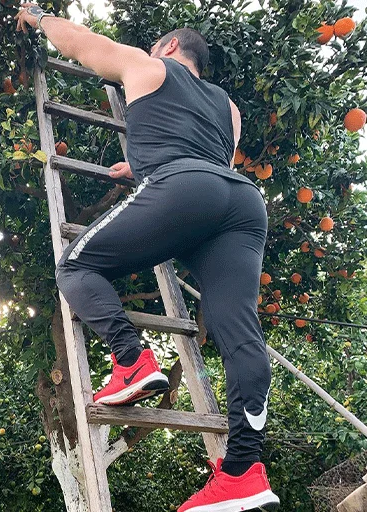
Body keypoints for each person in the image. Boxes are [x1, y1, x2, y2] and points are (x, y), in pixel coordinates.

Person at [16, 3, 280, 511]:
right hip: (242, 203)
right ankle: (244, 473)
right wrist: (140, 168)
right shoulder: (229, 108)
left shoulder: (149, 64)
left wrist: (40, 17)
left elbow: (82, 46)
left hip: (184, 187)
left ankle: (132, 362)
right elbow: (208, 161)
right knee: (240, 333)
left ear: (170, 46)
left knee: (75, 266)